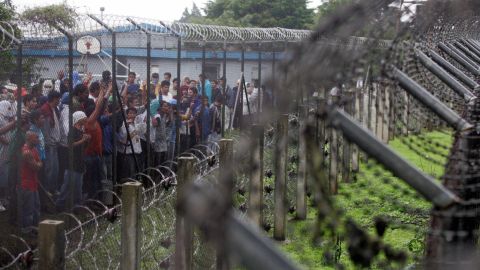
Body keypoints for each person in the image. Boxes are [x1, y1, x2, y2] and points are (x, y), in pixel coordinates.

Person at [56, 111, 90, 211]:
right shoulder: (72, 131)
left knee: (78, 187)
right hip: (72, 163)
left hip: (79, 162)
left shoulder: (81, 131)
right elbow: (70, 145)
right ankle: (60, 204)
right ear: (79, 119)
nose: (86, 119)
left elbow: (83, 147)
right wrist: (83, 140)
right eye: (84, 117)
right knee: (67, 185)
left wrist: (87, 141)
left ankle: (77, 206)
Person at [17, 131, 42, 234]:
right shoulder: (26, 152)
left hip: (33, 184)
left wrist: (38, 164)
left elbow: (39, 163)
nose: (38, 139)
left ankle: (35, 227)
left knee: (36, 207)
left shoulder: (34, 150)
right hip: (26, 185)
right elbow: (36, 167)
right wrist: (39, 164)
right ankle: (27, 230)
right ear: (30, 139)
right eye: (36, 138)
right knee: (29, 209)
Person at [39, 91, 61, 196]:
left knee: (55, 168)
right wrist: (48, 142)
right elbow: (45, 130)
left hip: (55, 143)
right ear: (54, 99)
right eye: (58, 99)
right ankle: (47, 189)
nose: (59, 101)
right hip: (49, 144)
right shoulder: (46, 109)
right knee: (50, 168)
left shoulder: (54, 109)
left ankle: (53, 188)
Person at [118, 107, 143, 179]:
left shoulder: (136, 124)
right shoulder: (124, 124)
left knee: (135, 172)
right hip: (129, 153)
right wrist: (128, 126)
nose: (132, 115)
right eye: (130, 113)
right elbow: (123, 137)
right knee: (130, 172)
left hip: (137, 152)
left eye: (134, 113)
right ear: (127, 114)